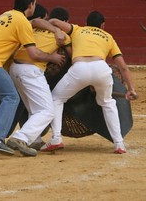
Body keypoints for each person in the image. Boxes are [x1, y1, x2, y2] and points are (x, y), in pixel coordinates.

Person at [0, 0, 66, 155]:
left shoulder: (4, 15)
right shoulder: (21, 21)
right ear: (31, 4)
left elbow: (34, 23)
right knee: (11, 97)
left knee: (0, 99)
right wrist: (52, 57)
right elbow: (34, 54)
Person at [47, 10, 138, 154]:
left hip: (79, 69)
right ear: (102, 25)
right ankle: (119, 143)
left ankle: (56, 138)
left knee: (56, 98)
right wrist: (131, 88)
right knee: (108, 103)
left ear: (87, 23)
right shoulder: (108, 37)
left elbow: (53, 21)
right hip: (101, 69)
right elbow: (123, 67)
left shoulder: (77, 30)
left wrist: (56, 31)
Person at [6, 6, 72, 156]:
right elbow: (73, 57)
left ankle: (34, 140)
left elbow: (35, 20)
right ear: (66, 22)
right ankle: (20, 137)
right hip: (31, 70)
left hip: (15, 68)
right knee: (48, 111)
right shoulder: (63, 35)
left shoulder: (35, 28)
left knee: (35, 109)